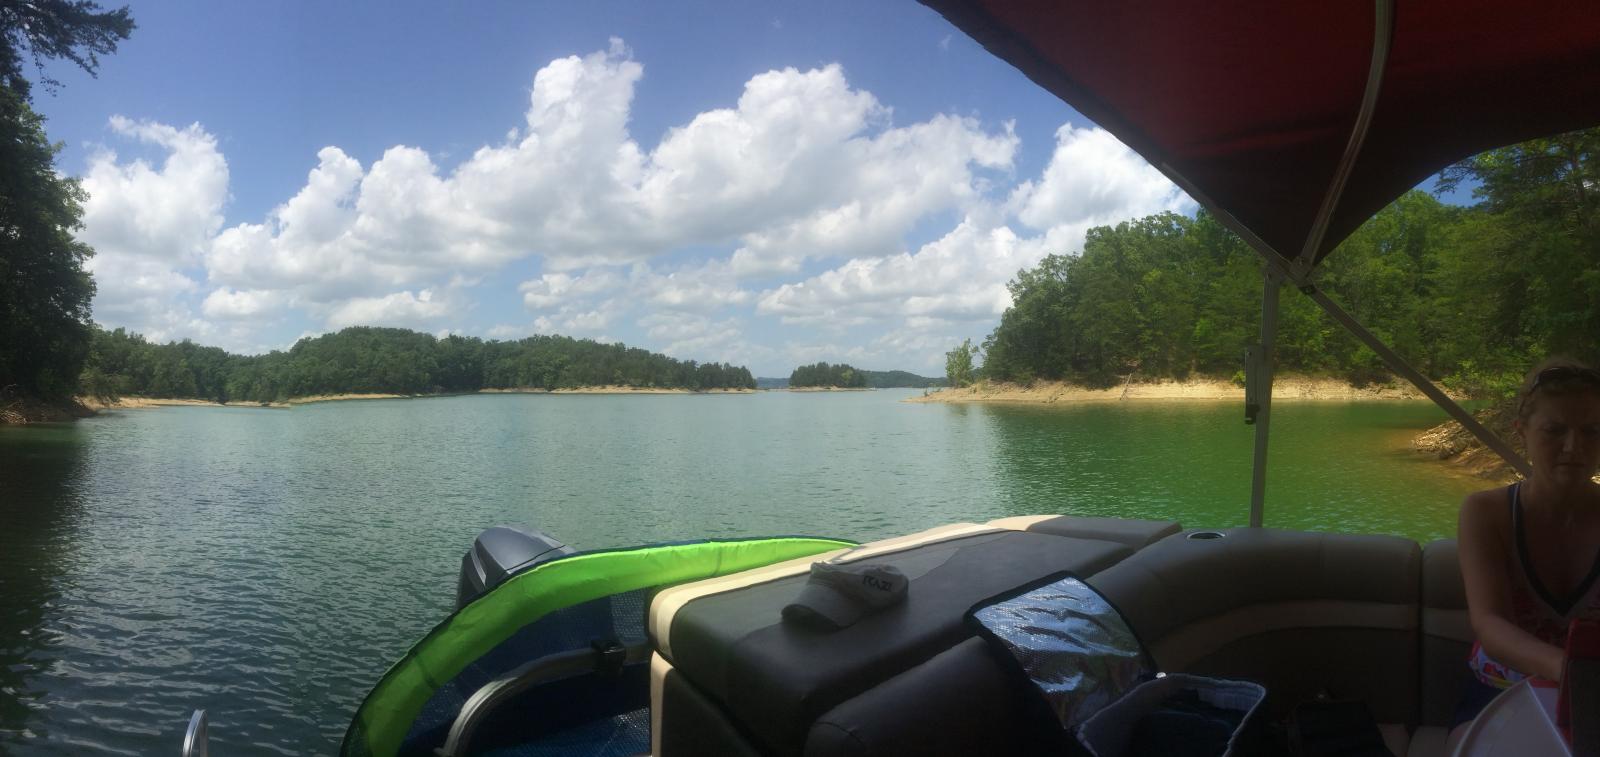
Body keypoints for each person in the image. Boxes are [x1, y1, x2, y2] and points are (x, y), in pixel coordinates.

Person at [1454, 358, 1600, 739]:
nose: (1575, 446)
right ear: (1522, 431)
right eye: (1555, 430)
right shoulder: (1486, 513)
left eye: (1592, 431)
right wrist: (1570, 670)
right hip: (1502, 690)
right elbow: (1489, 623)